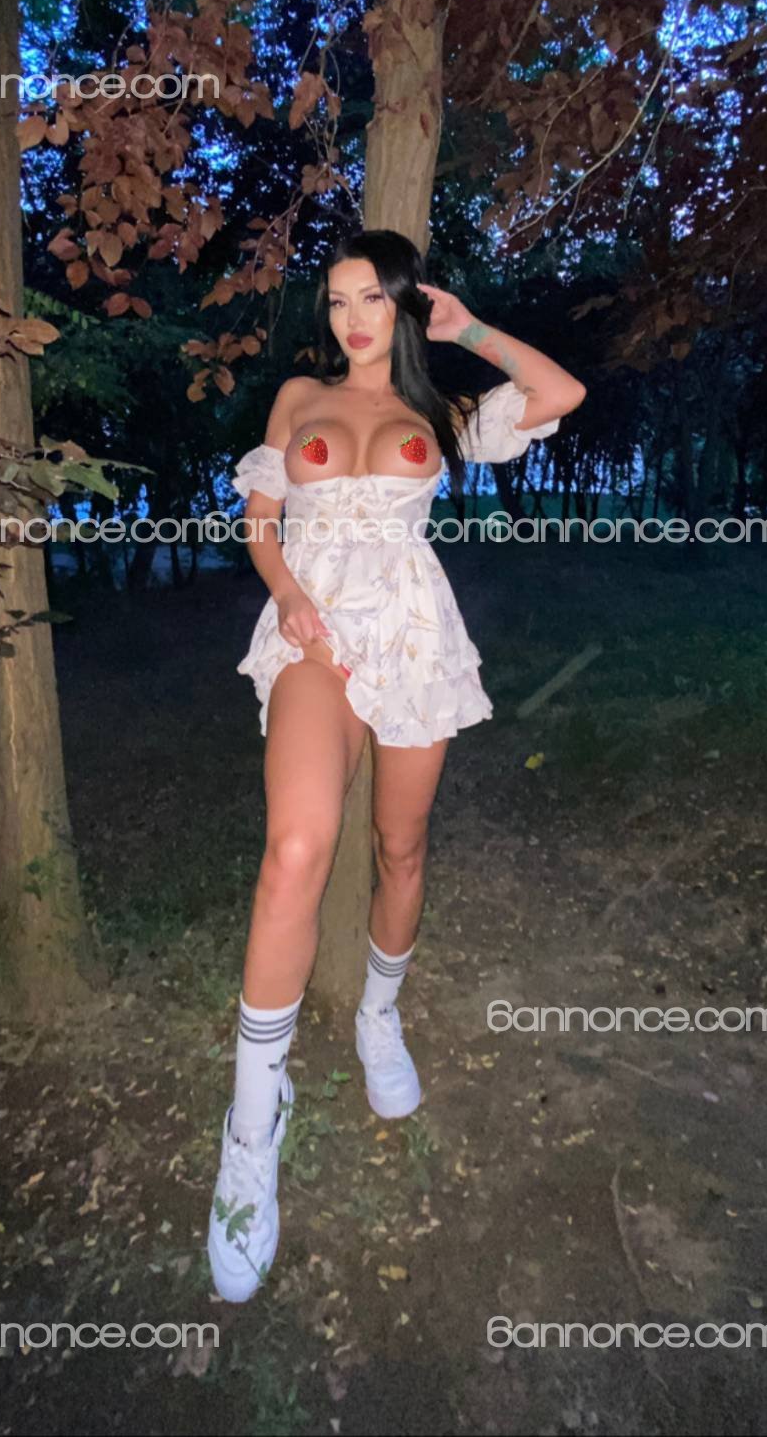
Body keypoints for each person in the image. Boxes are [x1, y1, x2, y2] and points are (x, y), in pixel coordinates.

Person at [207, 229, 586, 1300]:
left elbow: (560, 391)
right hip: (317, 632)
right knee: (297, 847)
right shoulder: (299, 396)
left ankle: (379, 1011)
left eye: (374, 297)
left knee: (400, 847)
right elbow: (262, 523)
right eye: (337, 300)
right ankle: (251, 1126)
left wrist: (469, 328)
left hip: (414, 634)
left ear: (405, 304)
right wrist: (290, 597)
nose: (353, 318)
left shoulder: (441, 412)